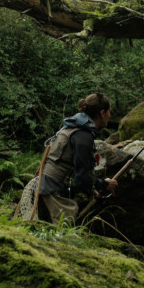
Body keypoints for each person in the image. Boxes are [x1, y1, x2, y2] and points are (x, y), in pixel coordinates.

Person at [37, 93, 118, 223]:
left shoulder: (72, 128)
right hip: (50, 194)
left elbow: (76, 173)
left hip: (42, 188)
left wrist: (92, 189)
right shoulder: (83, 135)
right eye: (109, 112)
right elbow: (82, 177)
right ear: (102, 113)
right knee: (63, 234)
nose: (110, 115)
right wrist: (105, 184)